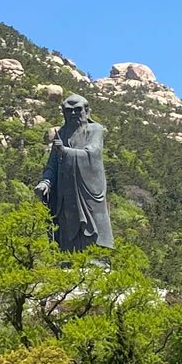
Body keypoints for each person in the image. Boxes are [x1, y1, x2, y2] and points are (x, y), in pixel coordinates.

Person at [34, 94, 115, 252]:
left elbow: (93, 153)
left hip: (87, 190)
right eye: (68, 110)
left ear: (86, 111)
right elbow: (52, 164)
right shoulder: (62, 133)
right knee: (66, 227)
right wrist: (46, 182)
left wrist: (65, 151)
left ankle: (95, 257)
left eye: (77, 110)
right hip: (65, 191)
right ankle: (67, 257)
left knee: (91, 228)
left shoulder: (94, 129)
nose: (73, 114)